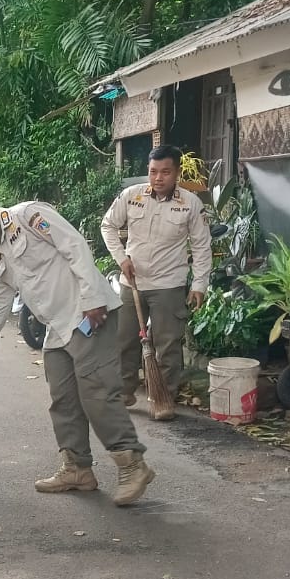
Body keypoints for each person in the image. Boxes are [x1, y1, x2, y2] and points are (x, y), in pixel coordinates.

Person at [0, 187, 156, 506]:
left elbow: (74, 246)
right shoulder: (0, 252)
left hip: (88, 315)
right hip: (58, 330)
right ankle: (77, 468)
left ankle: (132, 465)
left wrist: (91, 298)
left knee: (97, 393)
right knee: (63, 398)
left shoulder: (29, 215)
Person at [100, 145, 212, 421]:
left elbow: (201, 246)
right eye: (153, 172)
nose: (158, 178)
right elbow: (108, 226)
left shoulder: (190, 203)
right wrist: (120, 258)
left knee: (167, 346)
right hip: (132, 284)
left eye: (165, 172)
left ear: (176, 173)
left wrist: (199, 284)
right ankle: (124, 391)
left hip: (168, 285)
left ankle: (164, 397)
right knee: (124, 341)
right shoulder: (131, 196)